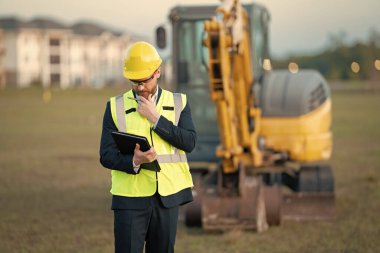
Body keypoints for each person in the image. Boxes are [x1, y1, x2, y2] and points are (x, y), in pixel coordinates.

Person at [99, 41, 197, 253]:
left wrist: (156, 119)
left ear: (158, 72)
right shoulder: (115, 107)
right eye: (135, 82)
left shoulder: (179, 102)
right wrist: (135, 161)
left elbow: (189, 142)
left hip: (167, 198)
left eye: (145, 81)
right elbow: (106, 155)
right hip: (130, 200)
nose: (140, 87)